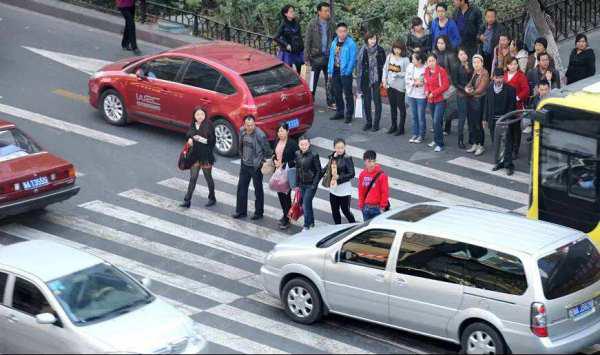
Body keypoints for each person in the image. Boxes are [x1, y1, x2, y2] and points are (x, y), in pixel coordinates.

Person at [233, 116, 272, 220]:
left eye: (252, 125)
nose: (250, 127)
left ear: (255, 124)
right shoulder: (241, 131)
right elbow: (240, 145)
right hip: (245, 165)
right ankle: (241, 211)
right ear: (244, 125)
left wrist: (261, 162)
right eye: (248, 125)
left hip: (256, 167)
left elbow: (268, 151)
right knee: (241, 188)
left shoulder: (260, 135)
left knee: (258, 190)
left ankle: (259, 213)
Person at [180, 107, 216, 209]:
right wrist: (190, 139)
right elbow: (188, 134)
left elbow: (212, 142)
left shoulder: (209, 125)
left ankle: (212, 197)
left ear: (205, 115)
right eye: (197, 115)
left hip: (205, 156)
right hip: (194, 156)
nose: (200, 116)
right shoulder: (193, 124)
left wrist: (199, 139)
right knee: (193, 178)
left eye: (202, 114)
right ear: (194, 116)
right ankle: (187, 200)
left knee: (208, 178)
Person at [484, 68, 517, 176]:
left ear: (504, 77)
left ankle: (508, 165)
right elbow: (487, 104)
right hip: (493, 121)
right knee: (496, 143)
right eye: (497, 78)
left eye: (501, 77)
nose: (499, 80)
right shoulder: (489, 88)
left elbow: (512, 106)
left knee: (507, 143)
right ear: (493, 78)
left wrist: (506, 119)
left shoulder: (510, 89)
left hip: (505, 120)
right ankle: (499, 162)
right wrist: (485, 119)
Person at [304, 2, 336, 109]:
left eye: (328, 10)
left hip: (328, 57)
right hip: (315, 57)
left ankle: (331, 101)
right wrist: (306, 58)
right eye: (325, 11)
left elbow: (335, 39)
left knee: (330, 80)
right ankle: (310, 99)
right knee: (312, 81)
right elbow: (307, 41)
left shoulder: (331, 24)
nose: (328, 13)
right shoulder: (312, 24)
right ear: (319, 12)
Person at [328, 23, 358, 123]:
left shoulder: (351, 43)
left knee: (348, 93)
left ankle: (349, 114)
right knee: (337, 92)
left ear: (347, 31)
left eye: (344, 31)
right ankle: (340, 112)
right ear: (337, 32)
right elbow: (331, 57)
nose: (342, 33)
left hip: (345, 72)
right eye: (340, 31)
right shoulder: (334, 42)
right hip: (335, 70)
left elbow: (353, 59)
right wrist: (330, 70)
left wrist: (348, 71)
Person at [357, 32, 386, 132]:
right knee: (367, 101)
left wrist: (384, 79)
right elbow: (359, 67)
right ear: (366, 40)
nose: (373, 41)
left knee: (377, 101)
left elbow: (384, 66)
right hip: (365, 78)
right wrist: (358, 82)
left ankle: (376, 124)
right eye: (370, 39)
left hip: (377, 79)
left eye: (374, 39)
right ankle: (368, 122)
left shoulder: (380, 50)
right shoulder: (363, 50)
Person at [273, 123, 299, 230]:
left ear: (288, 131)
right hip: (278, 172)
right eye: (279, 131)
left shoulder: (292, 144)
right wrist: (274, 160)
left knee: (286, 196)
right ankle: (285, 214)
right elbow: (274, 154)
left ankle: (287, 218)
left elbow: (297, 160)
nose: (280, 133)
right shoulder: (276, 141)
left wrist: (283, 164)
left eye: (282, 131)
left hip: (287, 174)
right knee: (280, 195)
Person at [324, 138, 356, 225]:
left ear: (345, 147)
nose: (340, 150)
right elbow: (327, 168)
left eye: (342, 148)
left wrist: (339, 177)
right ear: (334, 147)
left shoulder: (347, 158)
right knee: (334, 210)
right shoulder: (332, 157)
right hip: (333, 189)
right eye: (338, 148)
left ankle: (353, 225)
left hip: (344, 190)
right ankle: (337, 227)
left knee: (345, 210)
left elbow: (352, 174)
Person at [382, 40, 411, 135]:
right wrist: (384, 80)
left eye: (399, 49)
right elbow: (385, 69)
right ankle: (393, 125)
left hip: (400, 87)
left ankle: (401, 127)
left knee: (401, 107)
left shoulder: (405, 60)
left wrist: (399, 74)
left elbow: (408, 73)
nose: (396, 51)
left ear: (402, 49)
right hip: (390, 85)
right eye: (395, 48)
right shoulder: (389, 56)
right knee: (392, 106)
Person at [424, 53, 450, 152]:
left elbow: (445, 85)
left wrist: (433, 93)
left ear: (436, 61)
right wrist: (426, 91)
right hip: (430, 100)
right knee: (435, 121)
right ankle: (435, 139)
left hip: (440, 99)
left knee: (436, 121)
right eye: (429, 61)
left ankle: (440, 143)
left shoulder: (441, 71)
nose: (431, 63)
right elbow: (426, 82)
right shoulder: (426, 70)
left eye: (433, 61)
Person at [504, 57, 530, 158]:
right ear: (507, 66)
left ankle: (515, 150)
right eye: (511, 64)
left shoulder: (521, 76)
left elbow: (526, 90)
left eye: (515, 64)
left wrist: (517, 97)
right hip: (506, 106)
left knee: (516, 129)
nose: (513, 66)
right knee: (508, 128)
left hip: (517, 106)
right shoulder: (505, 75)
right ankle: (509, 148)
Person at [465, 54, 490, 156]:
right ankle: (475, 143)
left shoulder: (485, 73)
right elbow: (470, 83)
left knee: (478, 124)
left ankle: (481, 145)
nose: (475, 64)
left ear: (482, 63)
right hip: (472, 100)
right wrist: (467, 88)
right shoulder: (475, 72)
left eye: (478, 62)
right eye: (474, 62)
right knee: (471, 123)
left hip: (479, 101)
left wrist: (469, 92)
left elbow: (481, 89)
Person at [295, 136, 321, 230]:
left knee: (305, 204)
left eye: (305, 144)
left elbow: (319, 171)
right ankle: (312, 223)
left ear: (309, 144)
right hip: (302, 184)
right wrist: (296, 184)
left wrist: (314, 184)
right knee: (307, 204)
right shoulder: (297, 154)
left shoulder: (314, 155)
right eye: (302, 144)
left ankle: (306, 225)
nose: (304, 146)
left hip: (311, 185)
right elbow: (297, 170)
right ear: (299, 145)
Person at [358, 150, 389, 221]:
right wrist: (361, 205)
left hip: (377, 208)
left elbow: (384, 192)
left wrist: (382, 207)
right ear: (364, 162)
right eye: (369, 161)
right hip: (366, 208)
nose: (372, 164)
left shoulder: (382, 175)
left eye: (373, 161)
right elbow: (361, 190)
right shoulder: (362, 174)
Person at [274, 5, 304, 74]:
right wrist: (286, 44)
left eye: (293, 11)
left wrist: (302, 47)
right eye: (291, 12)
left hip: (297, 49)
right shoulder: (283, 24)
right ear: (285, 14)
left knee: (299, 68)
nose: (293, 13)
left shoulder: (296, 22)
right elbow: (276, 37)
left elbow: (299, 36)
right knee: (288, 70)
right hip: (288, 51)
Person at [406, 52, 428, 144]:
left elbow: (426, 81)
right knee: (414, 115)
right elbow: (407, 78)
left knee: (421, 116)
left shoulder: (425, 69)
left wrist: (421, 82)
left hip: (421, 95)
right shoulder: (410, 66)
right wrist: (414, 83)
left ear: (419, 60)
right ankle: (415, 133)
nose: (412, 60)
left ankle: (421, 134)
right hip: (411, 93)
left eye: (414, 59)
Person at [454, 47, 473, 149]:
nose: (463, 56)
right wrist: (464, 88)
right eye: (461, 54)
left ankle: (471, 137)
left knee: (471, 116)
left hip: (471, 94)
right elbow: (455, 82)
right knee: (462, 118)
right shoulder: (456, 66)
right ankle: (460, 139)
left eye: (464, 54)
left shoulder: (471, 64)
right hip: (461, 94)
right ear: (458, 56)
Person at [478, 8, 504, 73]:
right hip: (483, 53)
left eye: (492, 17)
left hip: (494, 54)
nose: (490, 19)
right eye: (488, 17)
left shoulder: (500, 27)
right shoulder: (483, 26)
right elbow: (477, 36)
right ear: (485, 17)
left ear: (495, 17)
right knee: (484, 70)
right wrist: (479, 37)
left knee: (492, 71)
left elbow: (504, 40)